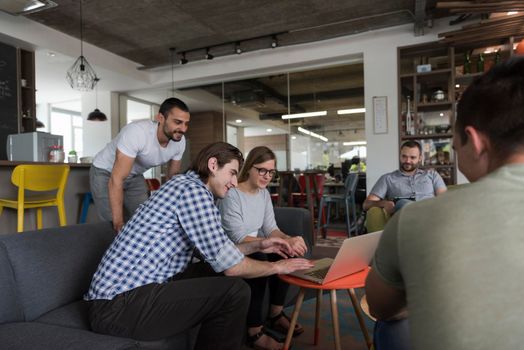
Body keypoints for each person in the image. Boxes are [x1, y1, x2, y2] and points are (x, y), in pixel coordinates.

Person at [85, 142, 313, 350]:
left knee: (218, 272)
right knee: (234, 290)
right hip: (117, 306)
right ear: (213, 165)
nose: (234, 182)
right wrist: (278, 267)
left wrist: (261, 245)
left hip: (140, 291)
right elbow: (232, 266)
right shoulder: (192, 192)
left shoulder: (186, 186)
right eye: (232, 173)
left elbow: (220, 253)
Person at [365, 58, 524, 350]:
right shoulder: (390, 180)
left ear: (473, 141)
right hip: (401, 211)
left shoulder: (418, 217)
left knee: (392, 325)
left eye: (453, 146)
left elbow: (379, 306)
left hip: (412, 239)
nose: (409, 161)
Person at [218, 146, 308, 350]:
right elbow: (238, 237)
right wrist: (267, 243)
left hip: (257, 243)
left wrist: (288, 239)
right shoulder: (232, 194)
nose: (267, 176)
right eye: (262, 170)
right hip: (235, 249)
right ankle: (254, 332)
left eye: (271, 172)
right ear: (249, 167)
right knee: (262, 255)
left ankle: (275, 313)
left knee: (285, 251)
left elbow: (271, 228)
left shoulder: (264, 194)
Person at [90, 97, 190, 232]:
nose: (183, 129)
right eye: (178, 122)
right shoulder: (137, 133)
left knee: (144, 220)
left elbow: (172, 180)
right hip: (106, 172)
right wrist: (119, 222)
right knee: (113, 224)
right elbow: (117, 179)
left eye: (186, 124)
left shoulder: (179, 142)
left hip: (134, 174)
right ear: (160, 118)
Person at [363, 140, 447, 215]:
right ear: (400, 156)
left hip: (431, 215)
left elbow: (444, 199)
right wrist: (384, 203)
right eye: (404, 156)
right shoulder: (387, 178)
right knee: (402, 203)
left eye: (412, 157)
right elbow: (366, 204)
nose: (407, 161)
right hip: (405, 220)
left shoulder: (432, 175)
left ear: (420, 158)